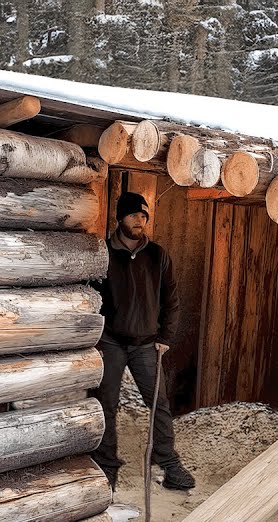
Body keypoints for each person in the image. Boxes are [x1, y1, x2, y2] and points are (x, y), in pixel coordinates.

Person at [90, 192, 197, 492]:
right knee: (105, 404)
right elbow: (91, 298)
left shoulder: (157, 255)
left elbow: (171, 301)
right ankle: (106, 466)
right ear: (120, 218)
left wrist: (165, 337)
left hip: (147, 344)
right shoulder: (104, 254)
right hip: (110, 341)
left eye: (144, 216)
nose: (140, 220)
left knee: (158, 403)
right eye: (134, 215)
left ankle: (168, 463)